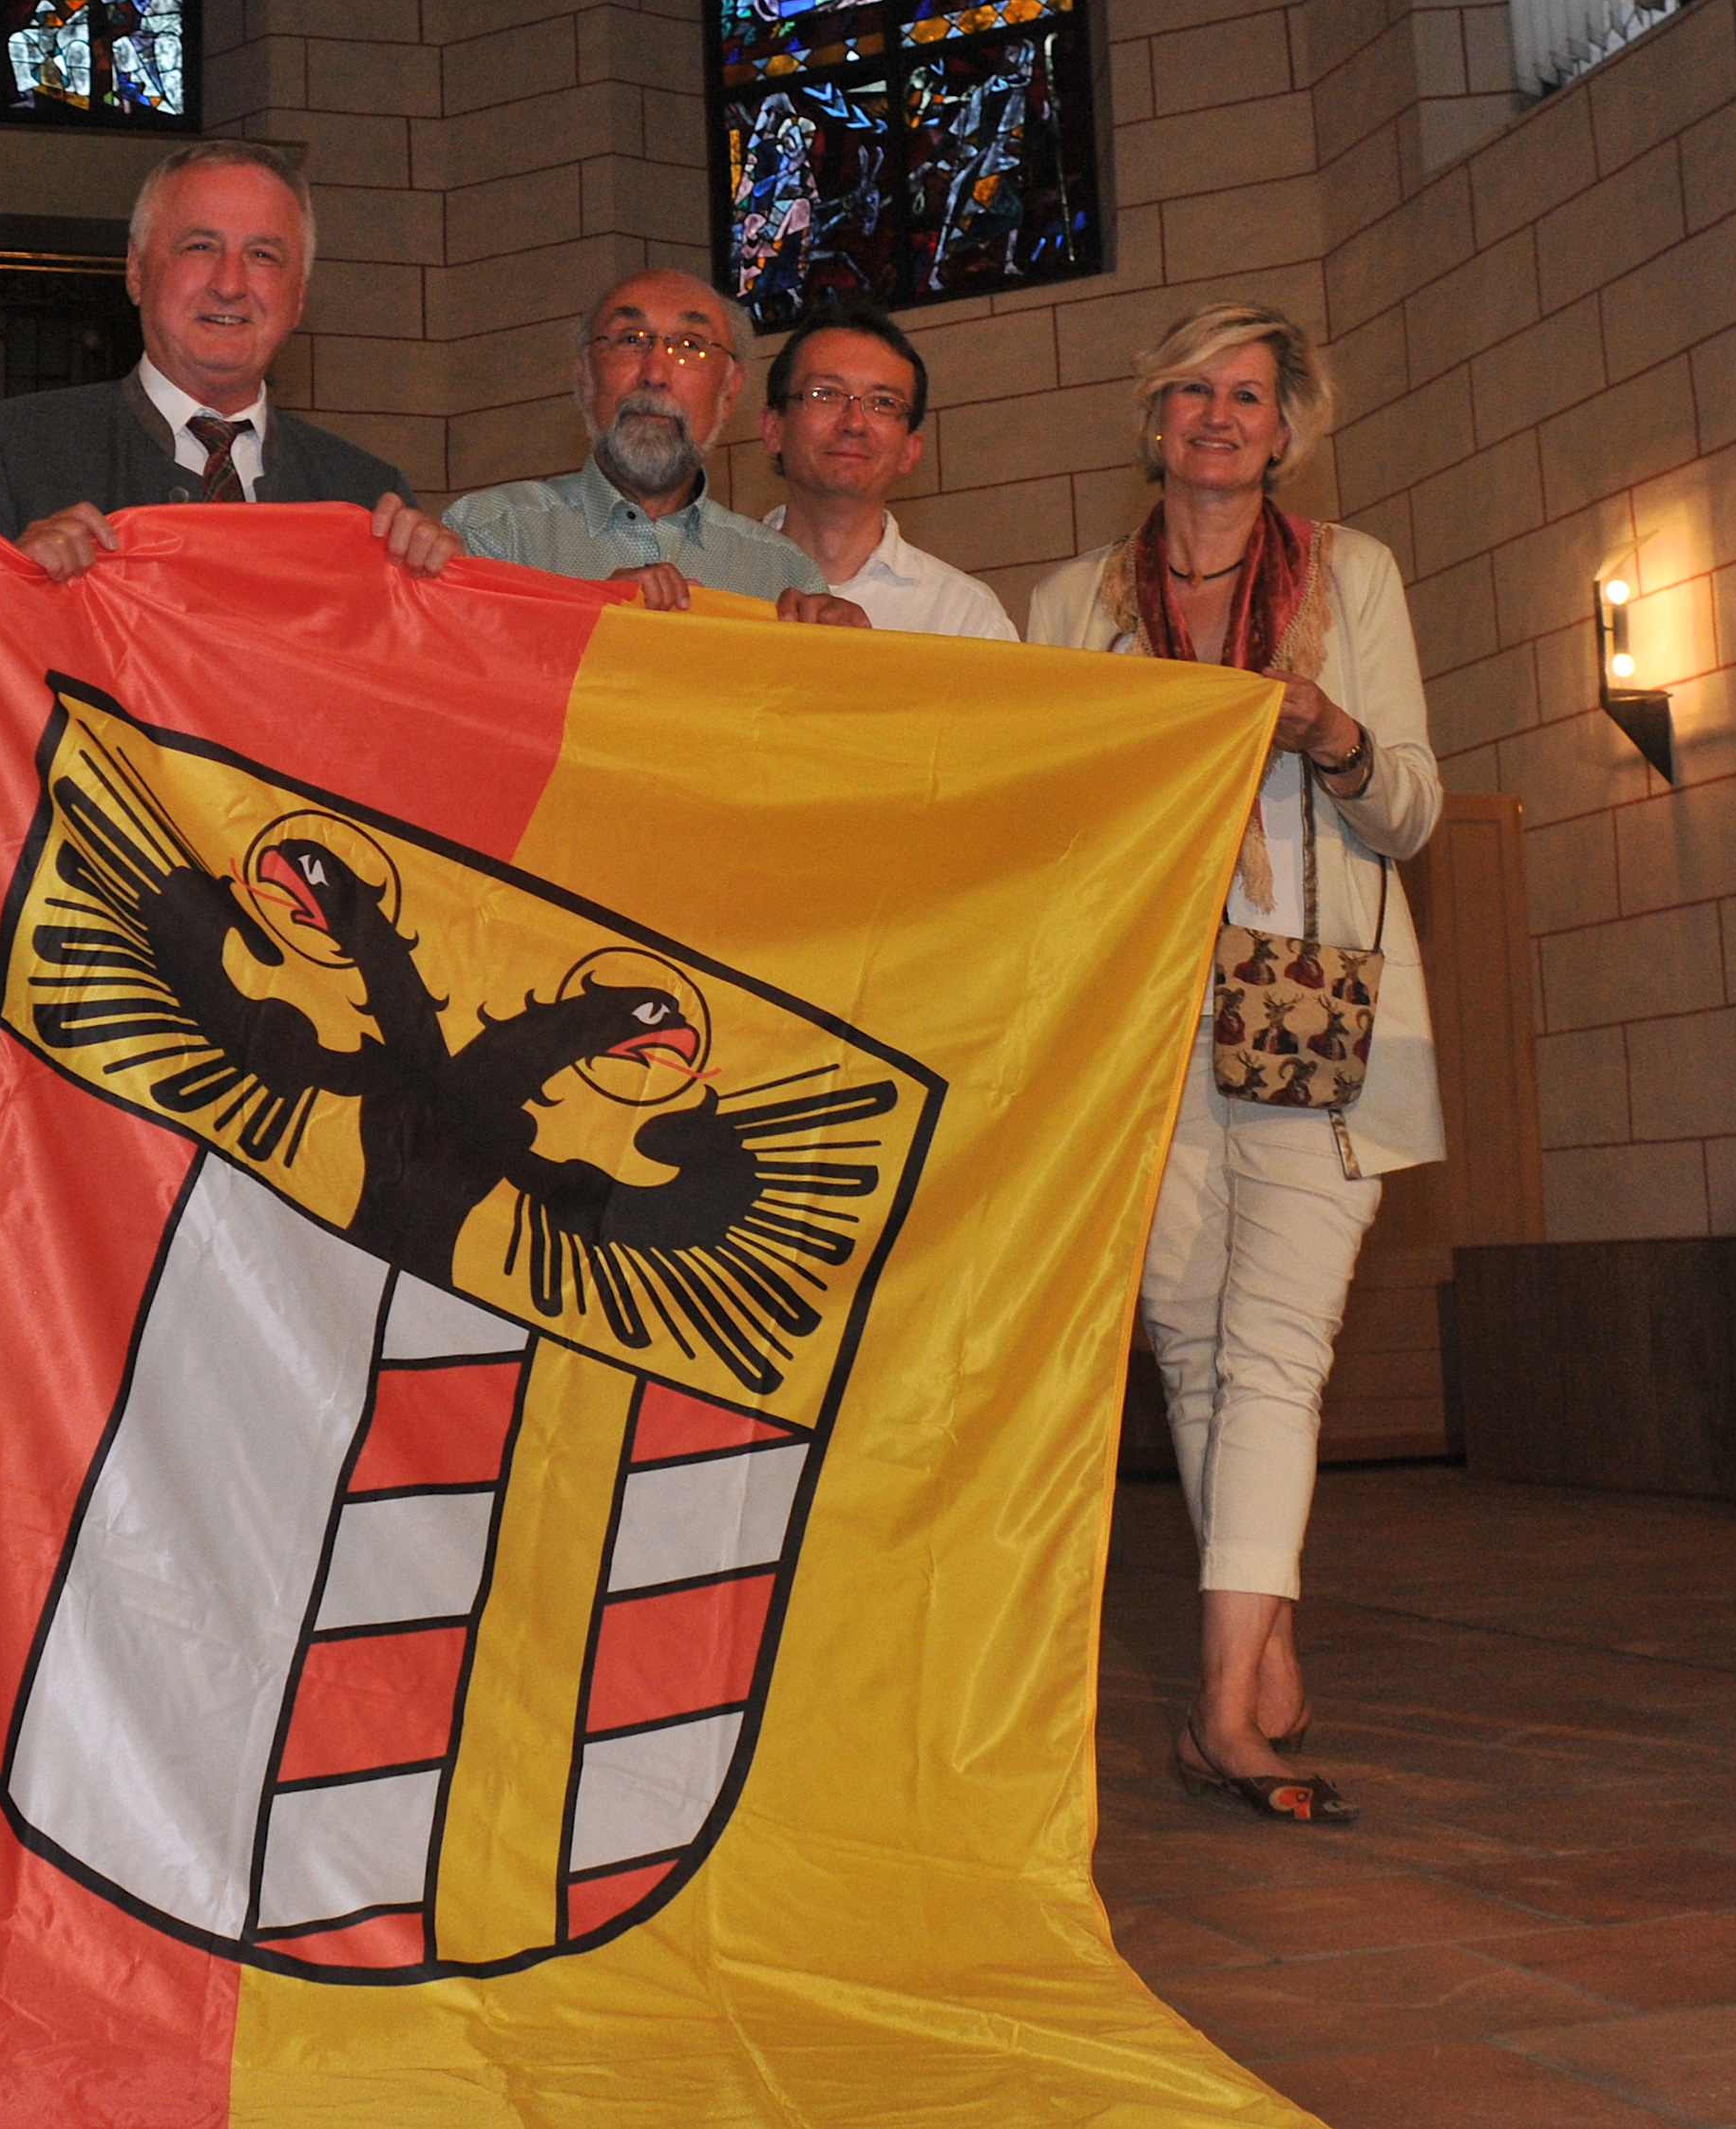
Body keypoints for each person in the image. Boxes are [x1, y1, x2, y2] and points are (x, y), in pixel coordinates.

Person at [1025, 301, 1442, 1828]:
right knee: (1191, 1348)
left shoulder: (1351, 575)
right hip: (1137, 1013)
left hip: (1315, 998)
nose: (1213, 415)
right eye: (1188, 390)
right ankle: (1253, 1638)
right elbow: (1047, 818)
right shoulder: (1071, 597)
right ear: (1151, 421)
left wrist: (1324, 727)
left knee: (1273, 1345)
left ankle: (1220, 1714)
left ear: (1285, 428)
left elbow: (1407, 809)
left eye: (1245, 395)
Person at [0, 138, 453, 582]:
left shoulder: (368, 497)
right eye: (200, 246)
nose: (230, 285)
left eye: (263, 256)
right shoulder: (9, 451)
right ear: (137, 272)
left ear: (298, 299)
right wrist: (9, 586)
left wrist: (445, 596)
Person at [447, 269, 865, 624]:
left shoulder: (780, 576)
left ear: (730, 389)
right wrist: (589, 619)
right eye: (630, 339)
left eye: (690, 346)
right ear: (585, 376)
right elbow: (448, 694)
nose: (655, 373)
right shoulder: (490, 536)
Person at [754, 299, 1015, 640]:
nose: (854, 423)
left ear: (910, 450)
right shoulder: (711, 583)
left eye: (883, 403)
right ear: (773, 428)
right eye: (826, 394)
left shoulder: (963, 615)